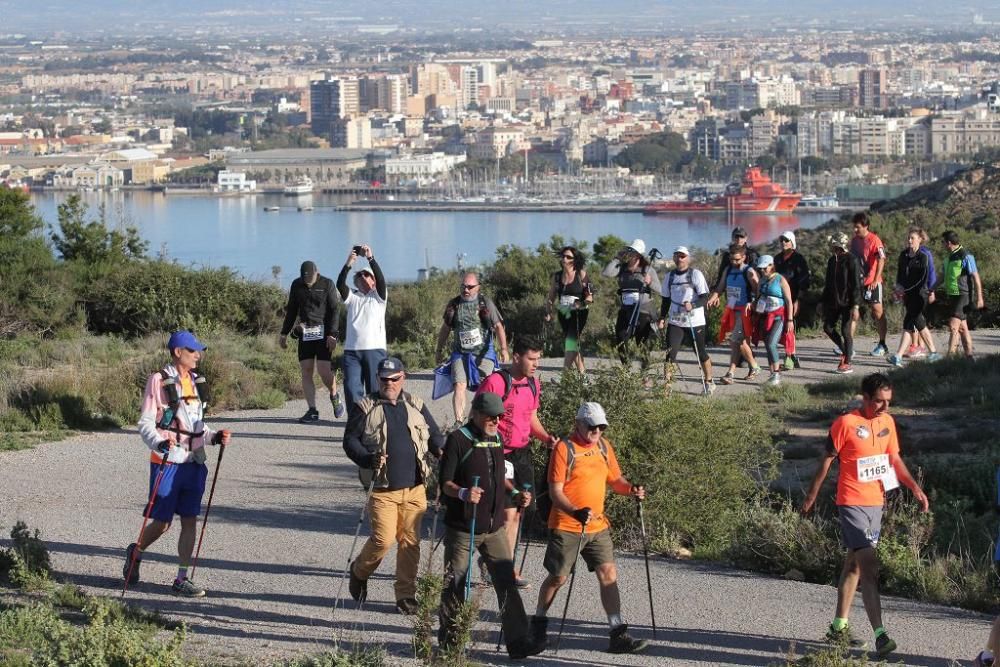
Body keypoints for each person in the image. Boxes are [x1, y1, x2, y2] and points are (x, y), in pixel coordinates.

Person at [802, 372, 929, 659]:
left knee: (855, 567)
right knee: (870, 567)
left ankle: (838, 627)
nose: (884, 407)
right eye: (879, 402)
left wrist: (915, 488)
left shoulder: (887, 422)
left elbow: (893, 459)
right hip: (850, 502)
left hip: (876, 504)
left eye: (888, 402)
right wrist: (811, 496)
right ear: (865, 398)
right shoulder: (845, 423)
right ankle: (881, 635)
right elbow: (825, 462)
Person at [530, 402, 648, 655]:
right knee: (558, 577)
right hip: (566, 525)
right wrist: (575, 511)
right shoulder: (564, 448)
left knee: (608, 573)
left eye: (601, 426)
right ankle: (538, 624)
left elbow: (615, 480)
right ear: (579, 424)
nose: (597, 431)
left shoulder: (604, 447)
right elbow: (555, 491)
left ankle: (617, 632)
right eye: (592, 426)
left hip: (597, 526)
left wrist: (631, 490)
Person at [437, 392, 546, 659]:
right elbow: (445, 483)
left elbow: (499, 478)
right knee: (456, 584)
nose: (495, 421)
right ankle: (450, 644)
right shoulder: (458, 440)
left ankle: (518, 641)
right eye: (491, 416)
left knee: (506, 582)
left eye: (499, 417)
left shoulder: (497, 439)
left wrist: (515, 493)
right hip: (464, 527)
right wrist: (463, 493)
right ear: (476, 413)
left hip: (494, 527)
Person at [125, 330, 232, 598]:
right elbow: (146, 423)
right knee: (162, 523)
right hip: (168, 462)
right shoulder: (159, 381)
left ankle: (182, 578)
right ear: (177, 352)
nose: (199, 355)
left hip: (193, 462)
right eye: (193, 350)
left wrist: (213, 437)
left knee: (189, 520)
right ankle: (136, 552)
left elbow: (196, 425)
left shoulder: (197, 382)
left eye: (199, 350)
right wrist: (159, 443)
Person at [342, 357, 444, 615]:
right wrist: (368, 458)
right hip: (382, 489)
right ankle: (359, 571)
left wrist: (442, 449)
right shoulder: (364, 407)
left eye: (394, 379)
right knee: (383, 540)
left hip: (415, 488)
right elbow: (350, 441)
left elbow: (434, 436)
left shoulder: (415, 404)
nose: (389, 383)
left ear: (403, 378)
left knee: (410, 543)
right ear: (377, 379)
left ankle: (405, 595)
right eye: (384, 379)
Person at [475, 337, 558, 586]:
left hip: (522, 454)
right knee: (508, 513)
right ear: (516, 357)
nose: (535, 364)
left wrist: (545, 437)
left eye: (538, 359)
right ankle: (501, 566)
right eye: (531, 359)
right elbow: (477, 415)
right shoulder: (496, 381)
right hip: (498, 452)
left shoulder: (533, 384)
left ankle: (500, 566)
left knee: (519, 512)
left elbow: (530, 416)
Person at [436, 273, 509, 429]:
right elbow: (445, 329)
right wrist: (439, 349)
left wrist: (504, 349)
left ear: (478, 287)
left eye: (470, 287)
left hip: (484, 353)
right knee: (459, 385)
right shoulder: (454, 305)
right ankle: (459, 422)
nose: (466, 289)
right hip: (460, 353)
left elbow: (498, 327)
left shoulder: (485, 303)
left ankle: (478, 420)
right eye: (463, 286)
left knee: (486, 387)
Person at [280, 260, 345, 423]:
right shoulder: (296, 285)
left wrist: (333, 335)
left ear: (317, 273)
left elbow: (335, 310)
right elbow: (292, 310)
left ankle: (334, 394)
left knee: (324, 371)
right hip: (305, 332)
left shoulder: (327, 284)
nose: (307, 283)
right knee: (306, 371)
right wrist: (284, 333)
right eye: (305, 280)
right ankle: (312, 410)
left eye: (310, 280)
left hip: (324, 333)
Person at [336, 244, 388, 408]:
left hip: (375, 350)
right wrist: (349, 263)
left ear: (373, 281)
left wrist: (370, 258)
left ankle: (376, 421)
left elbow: (381, 279)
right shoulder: (352, 297)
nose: (363, 277)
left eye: (367, 275)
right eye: (359, 275)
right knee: (352, 388)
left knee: (375, 389)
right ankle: (356, 423)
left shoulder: (379, 297)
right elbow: (339, 284)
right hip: (352, 351)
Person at [657, 246, 714, 395]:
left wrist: (693, 305)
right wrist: (662, 318)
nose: (679, 259)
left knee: (700, 352)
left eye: (682, 256)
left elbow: (704, 297)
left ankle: (708, 382)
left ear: (688, 258)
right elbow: (665, 300)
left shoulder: (695, 274)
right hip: (676, 320)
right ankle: (667, 387)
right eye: (676, 256)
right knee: (670, 353)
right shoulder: (669, 277)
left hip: (694, 321)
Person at [707, 244, 762, 384]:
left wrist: (755, 304)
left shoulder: (749, 271)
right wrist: (713, 298)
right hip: (732, 310)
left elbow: (758, 289)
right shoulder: (728, 270)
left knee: (735, 340)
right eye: (731, 259)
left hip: (745, 311)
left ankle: (753, 366)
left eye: (737, 260)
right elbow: (720, 287)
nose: (734, 262)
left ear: (744, 257)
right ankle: (732, 372)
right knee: (738, 342)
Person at [602, 239, 661, 367]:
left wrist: (650, 282)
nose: (629, 253)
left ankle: (644, 374)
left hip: (644, 310)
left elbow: (661, 290)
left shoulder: (648, 269)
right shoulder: (622, 268)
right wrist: (617, 258)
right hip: (626, 309)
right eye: (628, 250)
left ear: (639, 255)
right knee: (621, 339)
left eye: (632, 251)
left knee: (643, 344)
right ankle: (626, 369)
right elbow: (606, 273)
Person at [888, 228, 941, 367]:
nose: (909, 240)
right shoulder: (903, 255)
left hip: (919, 294)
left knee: (913, 322)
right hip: (907, 294)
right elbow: (900, 274)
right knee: (913, 323)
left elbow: (922, 279)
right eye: (908, 238)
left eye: (912, 238)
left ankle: (901, 355)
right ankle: (901, 356)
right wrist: (898, 287)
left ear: (920, 239)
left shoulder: (923, 256)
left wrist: (906, 289)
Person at [544, 246, 593, 372]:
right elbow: (551, 297)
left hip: (579, 312)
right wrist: (549, 312)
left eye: (569, 257)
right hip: (563, 312)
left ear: (574, 260)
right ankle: (583, 378)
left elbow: (590, 298)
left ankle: (565, 376)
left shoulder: (581, 274)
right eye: (563, 256)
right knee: (572, 344)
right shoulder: (556, 276)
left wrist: (580, 303)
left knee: (570, 343)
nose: (564, 259)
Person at [821, 233, 863, 375]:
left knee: (846, 331)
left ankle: (847, 362)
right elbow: (828, 284)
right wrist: (822, 302)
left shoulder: (852, 260)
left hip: (848, 303)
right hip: (833, 302)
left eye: (834, 244)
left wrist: (856, 306)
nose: (833, 247)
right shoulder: (832, 260)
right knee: (827, 327)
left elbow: (857, 285)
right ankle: (845, 351)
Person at [848, 212, 889, 357]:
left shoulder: (874, 240)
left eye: (857, 227)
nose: (855, 230)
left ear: (866, 226)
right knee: (853, 314)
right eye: (854, 227)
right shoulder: (854, 241)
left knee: (877, 312)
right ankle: (848, 346)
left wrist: (875, 279)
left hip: (872, 282)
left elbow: (881, 260)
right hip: (857, 283)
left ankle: (882, 344)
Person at [941, 230, 985, 358]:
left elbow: (976, 277)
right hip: (952, 295)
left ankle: (950, 359)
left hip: (963, 295)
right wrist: (931, 288)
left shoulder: (966, 256)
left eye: (943, 242)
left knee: (953, 325)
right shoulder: (949, 257)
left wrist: (980, 298)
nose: (942, 244)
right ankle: (969, 357)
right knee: (962, 328)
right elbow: (942, 275)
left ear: (949, 243)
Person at [753, 255, 795, 387]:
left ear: (771, 266)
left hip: (779, 316)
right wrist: (754, 305)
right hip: (765, 316)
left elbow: (789, 301)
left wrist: (790, 320)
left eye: (765, 268)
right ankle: (772, 375)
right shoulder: (762, 280)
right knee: (767, 345)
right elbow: (758, 297)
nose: (763, 271)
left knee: (771, 343)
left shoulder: (780, 280)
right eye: (761, 269)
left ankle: (776, 374)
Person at [773, 231, 810, 370]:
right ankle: (792, 355)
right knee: (780, 327)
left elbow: (804, 280)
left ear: (792, 242)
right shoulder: (777, 259)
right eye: (782, 240)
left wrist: (798, 300)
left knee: (790, 326)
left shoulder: (798, 259)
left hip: (793, 297)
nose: (783, 242)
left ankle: (789, 356)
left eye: (786, 240)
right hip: (778, 298)